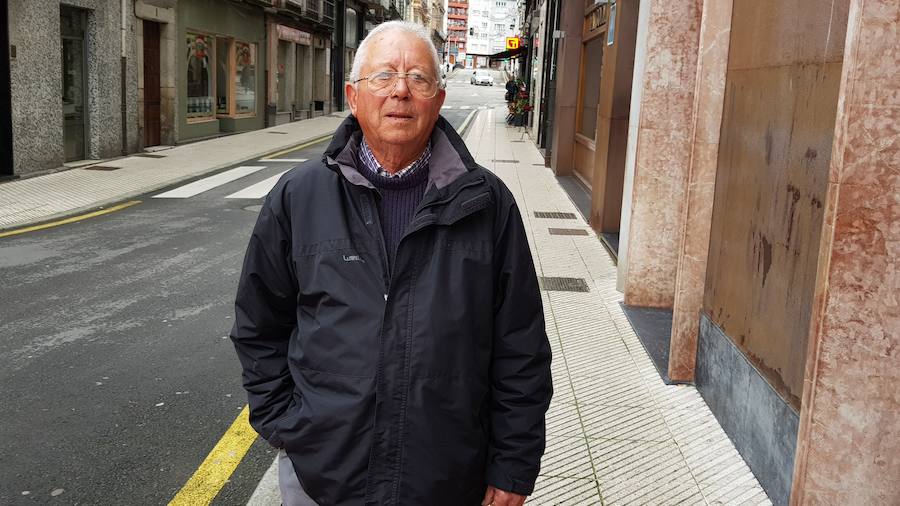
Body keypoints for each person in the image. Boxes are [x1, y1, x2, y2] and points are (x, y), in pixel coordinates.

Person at [231, 20, 552, 506]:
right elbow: (259, 323)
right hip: (322, 477)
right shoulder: (299, 196)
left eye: (419, 79)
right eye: (383, 76)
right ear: (353, 97)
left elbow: (520, 349)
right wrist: (287, 427)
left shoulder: (487, 203)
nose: (400, 90)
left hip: (447, 478)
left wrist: (512, 466)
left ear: (438, 100)